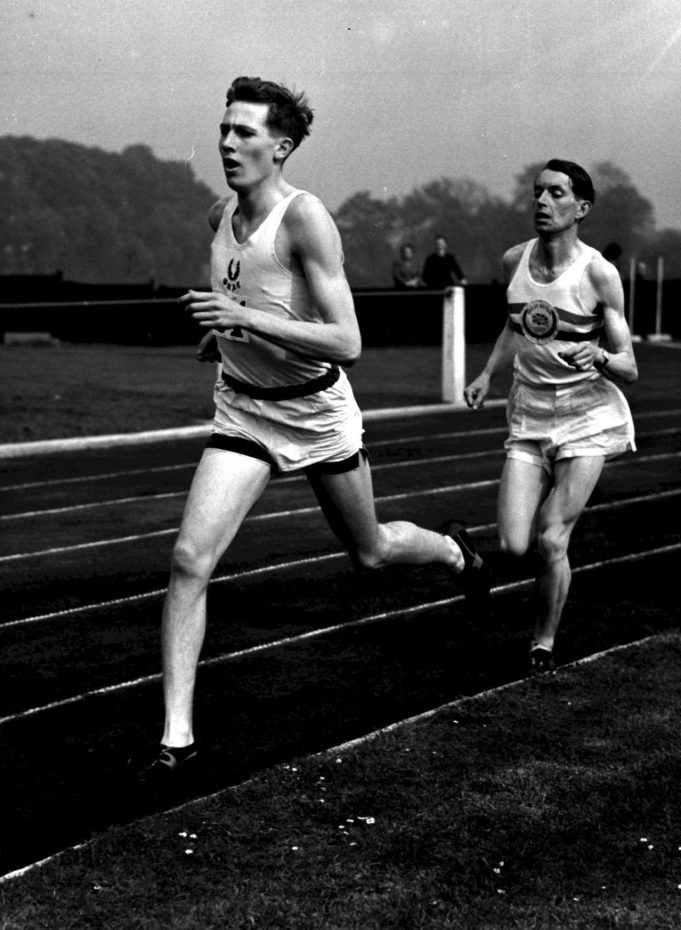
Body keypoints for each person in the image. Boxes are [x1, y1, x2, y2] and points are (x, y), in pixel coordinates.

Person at [138, 76, 489, 783]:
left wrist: (243, 321)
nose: (227, 142)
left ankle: (452, 552)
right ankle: (177, 736)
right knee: (188, 560)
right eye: (224, 128)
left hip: (316, 411)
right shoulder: (219, 217)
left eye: (244, 132)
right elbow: (242, 300)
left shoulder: (305, 220)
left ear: (283, 147)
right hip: (243, 411)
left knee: (371, 553)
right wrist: (221, 336)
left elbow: (346, 340)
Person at [463, 159, 637, 675]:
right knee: (513, 543)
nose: (542, 201)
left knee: (551, 537)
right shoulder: (513, 259)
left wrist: (600, 356)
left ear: (581, 208)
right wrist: (486, 375)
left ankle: (542, 642)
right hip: (529, 412)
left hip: (586, 415)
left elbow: (629, 364)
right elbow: (514, 327)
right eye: (537, 191)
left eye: (556, 193)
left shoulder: (599, 273)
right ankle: (476, 558)